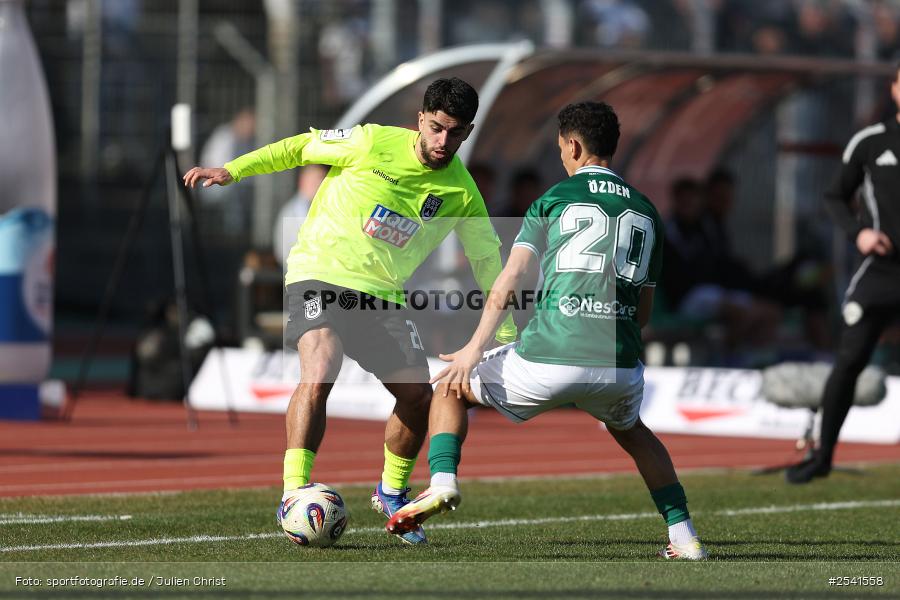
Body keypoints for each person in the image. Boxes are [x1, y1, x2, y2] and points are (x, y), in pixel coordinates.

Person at [183, 77, 517, 544]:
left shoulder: (462, 192)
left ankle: (390, 491)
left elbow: (487, 262)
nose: (444, 142)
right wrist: (232, 170)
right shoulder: (370, 140)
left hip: (382, 295)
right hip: (319, 270)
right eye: (437, 128)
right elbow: (301, 148)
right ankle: (294, 491)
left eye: (456, 133)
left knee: (418, 395)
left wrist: (505, 334)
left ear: (467, 131)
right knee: (320, 366)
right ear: (420, 119)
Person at [385, 101, 707, 560]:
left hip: (549, 355)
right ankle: (684, 536)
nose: (560, 156)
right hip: (618, 362)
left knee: (450, 389)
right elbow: (644, 310)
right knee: (634, 431)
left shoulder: (552, 199)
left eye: (560, 148)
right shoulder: (648, 211)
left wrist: (474, 350)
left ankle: (441, 483)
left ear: (573, 145)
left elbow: (509, 280)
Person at [786, 64, 900, 484]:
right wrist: (860, 234)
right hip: (882, 270)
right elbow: (834, 196)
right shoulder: (871, 142)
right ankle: (823, 456)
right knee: (850, 361)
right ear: (894, 89)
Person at [273, 164, 328, 268]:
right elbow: (284, 254)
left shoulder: (327, 208)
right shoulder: (290, 213)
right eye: (315, 180)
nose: (319, 185)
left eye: (322, 180)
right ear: (302, 181)